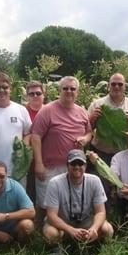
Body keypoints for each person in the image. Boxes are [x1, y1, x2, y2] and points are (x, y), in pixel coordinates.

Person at [30, 76, 92, 224]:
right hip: (50, 167)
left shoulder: (82, 112)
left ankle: (63, 233)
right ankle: (38, 235)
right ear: (59, 90)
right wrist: (38, 163)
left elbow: (90, 132)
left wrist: (85, 139)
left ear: (77, 92)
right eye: (65, 88)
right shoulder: (47, 110)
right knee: (44, 203)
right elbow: (36, 136)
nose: (69, 91)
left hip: (74, 167)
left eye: (72, 89)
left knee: (67, 202)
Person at [43, 150, 114, 247]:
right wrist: (70, 229)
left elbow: (101, 212)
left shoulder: (95, 180)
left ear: (85, 166)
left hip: (86, 222)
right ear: (67, 165)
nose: (77, 167)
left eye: (80, 163)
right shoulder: (54, 183)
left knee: (107, 229)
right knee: (51, 233)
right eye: (73, 163)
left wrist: (94, 228)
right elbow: (51, 216)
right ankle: (56, 252)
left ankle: (101, 251)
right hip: (63, 223)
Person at [88, 73, 128, 165]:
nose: (117, 86)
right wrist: (92, 118)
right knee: (102, 179)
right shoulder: (97, 105)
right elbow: (86, 130)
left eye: (120, 84)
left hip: (125, 155)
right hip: (101, 154)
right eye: (113, 84)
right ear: (108, 85)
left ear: (125, 86)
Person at [24, 80, 46, 202]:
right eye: (31, 94)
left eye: (38, 93)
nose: (35, 96)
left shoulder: (50, 110)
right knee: (30, 196)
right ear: (27, 96)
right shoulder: (21, 112)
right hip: (29, 165)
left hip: (48, 162)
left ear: (44, 94)